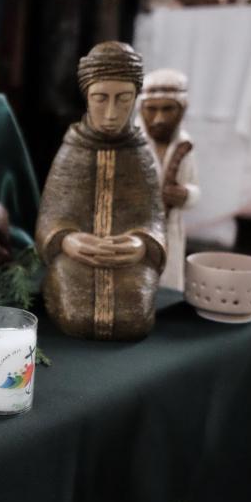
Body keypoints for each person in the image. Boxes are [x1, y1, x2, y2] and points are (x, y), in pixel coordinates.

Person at [35, 42, 166, 341]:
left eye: (123, 99)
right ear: (87, 97)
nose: (110, 113)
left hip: (129, 262)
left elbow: (154, 217)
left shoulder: (141, 153)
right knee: (76, 316)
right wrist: (67, 240)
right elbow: (50, 215)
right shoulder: (73, 149)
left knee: (133, 317)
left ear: (135, 98)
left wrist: (141, 244)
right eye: (100, 98)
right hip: (76, 259)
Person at [138, 68, 201, 291]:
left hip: (171, 231)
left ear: (181, 109)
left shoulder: (185, 144)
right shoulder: (132, 144)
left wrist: (186, 195)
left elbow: (194, 186)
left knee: (169, 285)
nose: (159, 119)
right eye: (152, 109)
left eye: (167, 109)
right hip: (137, 232)